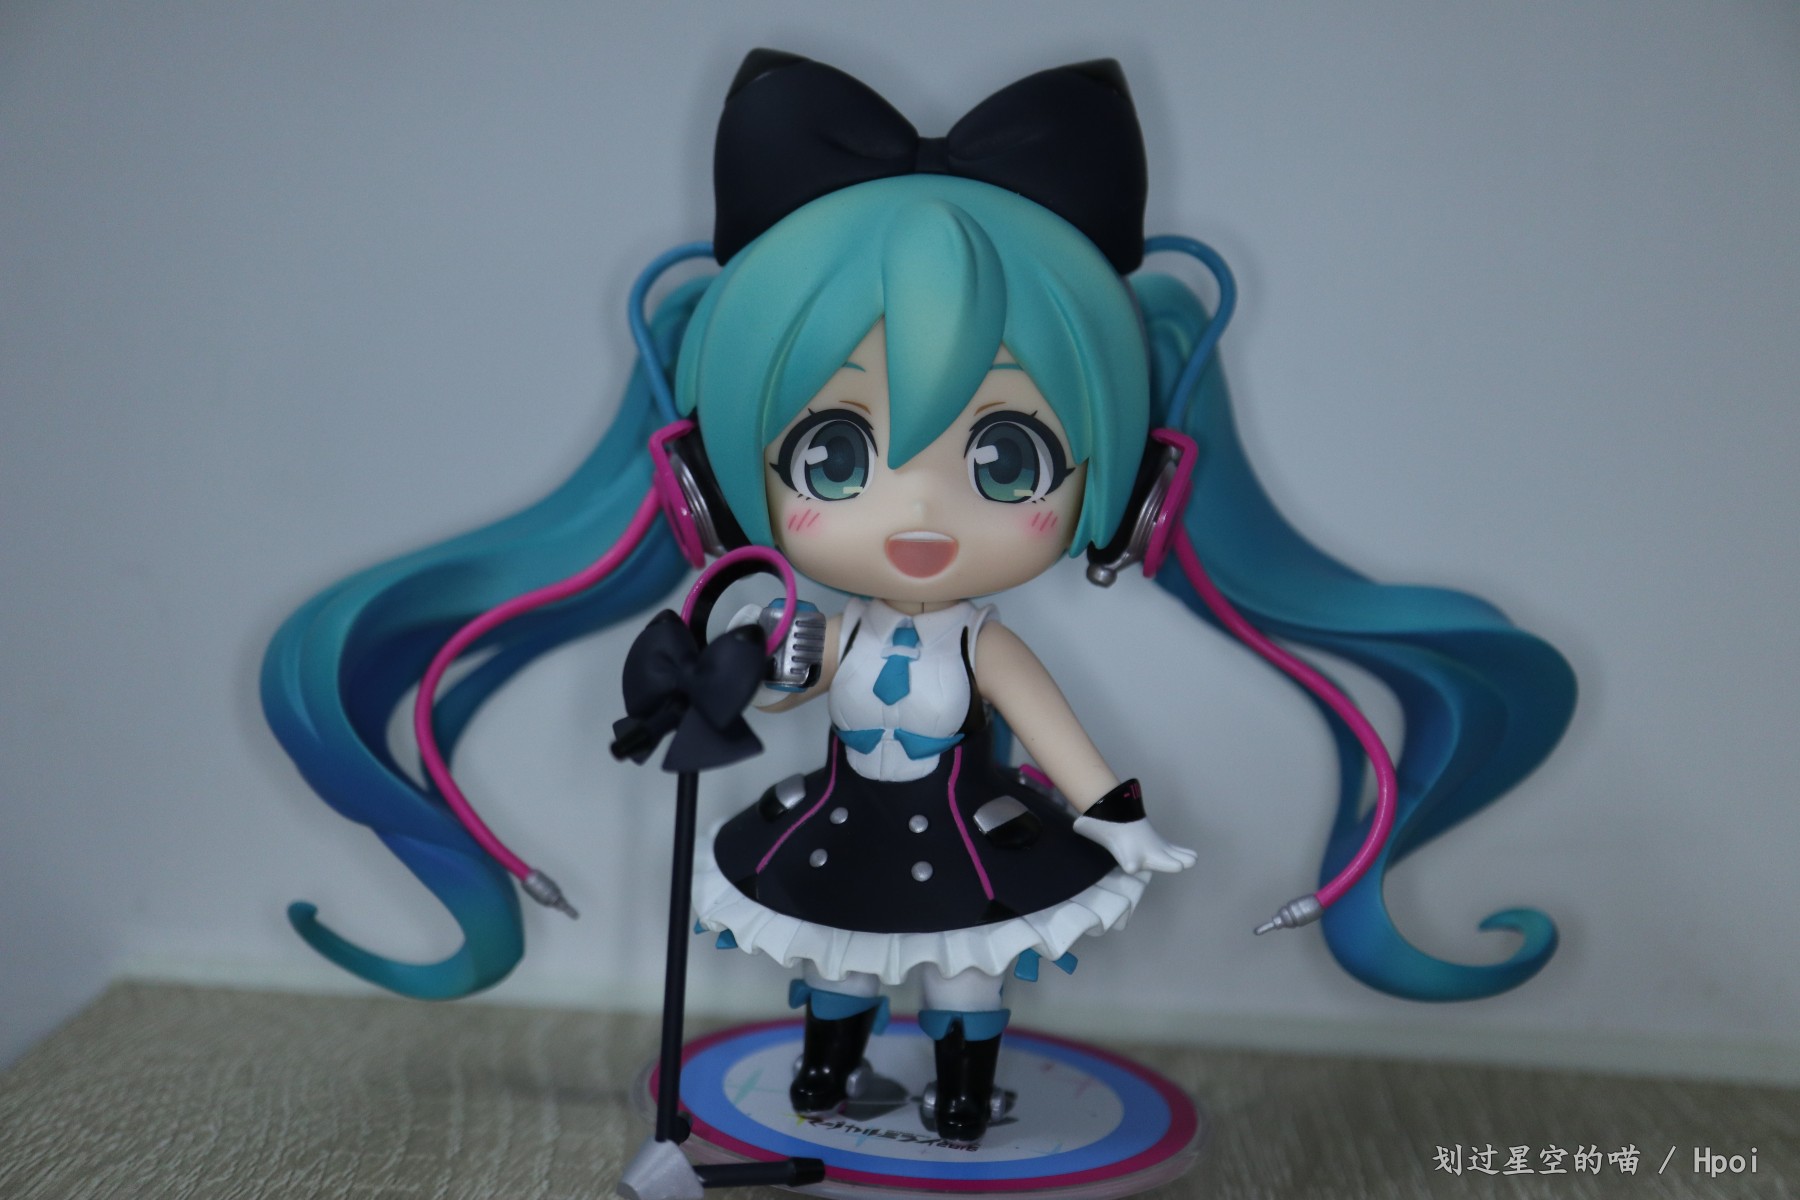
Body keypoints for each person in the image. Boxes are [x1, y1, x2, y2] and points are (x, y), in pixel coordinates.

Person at [262, 50, 1575, 1143]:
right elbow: (790, 686)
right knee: (835, 967)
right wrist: (724, 679)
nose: (921, 513)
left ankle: (958, 1093)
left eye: (1006, 460)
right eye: (835, 456)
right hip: (842, 833)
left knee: (962, 977)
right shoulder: (836, 626)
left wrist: (1120, 828)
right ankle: (826, 1073)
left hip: (968, 844)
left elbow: (1058, 740)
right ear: (711, 484)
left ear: (1133, 489)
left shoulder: (987, 643)